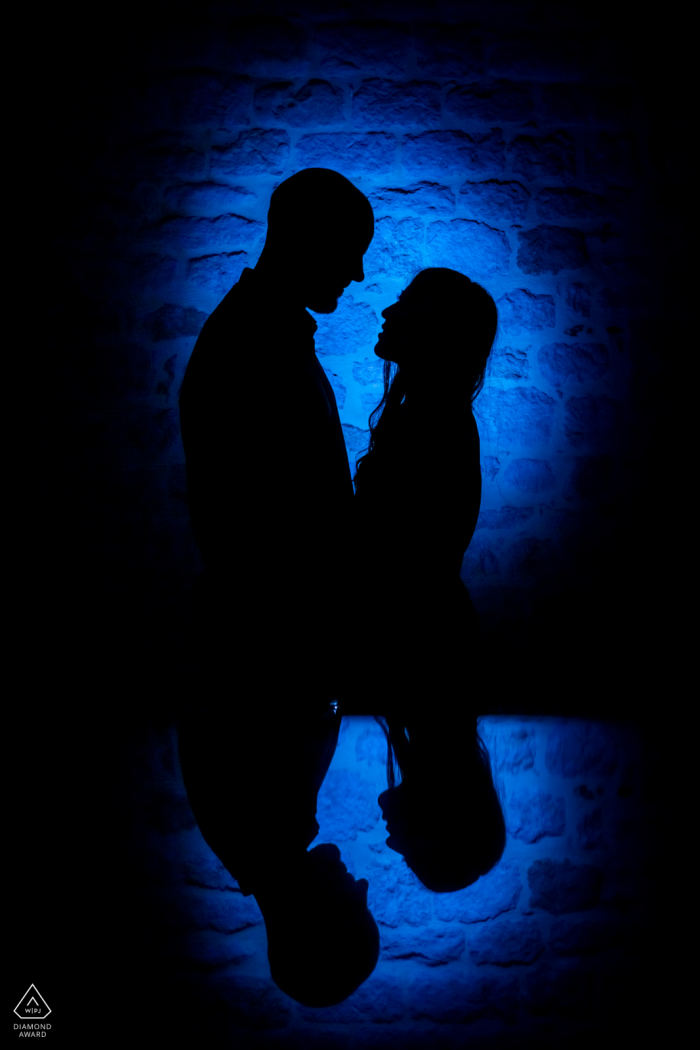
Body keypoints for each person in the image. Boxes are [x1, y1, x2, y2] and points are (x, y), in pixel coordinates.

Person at [178, 168, 379, 1006]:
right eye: (353, 253)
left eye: (353, 909)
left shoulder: (255, 336)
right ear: (313, 238)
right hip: (266, 651)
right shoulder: (254, 344)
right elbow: (274, 530)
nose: (359, 274)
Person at [349, 267, 506, 893]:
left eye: (407, 306)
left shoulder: (430, 422)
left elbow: (387, 554)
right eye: (412, 848)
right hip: (427, 642)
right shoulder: (433, 418)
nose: (388, 310)